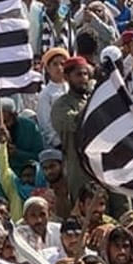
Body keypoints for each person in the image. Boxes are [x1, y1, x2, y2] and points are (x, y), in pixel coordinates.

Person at [51, 57, 92, 201]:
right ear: (67, 77)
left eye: (86, 74)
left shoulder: (92, 98)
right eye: (79, 75)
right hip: (80, 168)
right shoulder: (61, 105)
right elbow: (77, 123)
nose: (83, 79)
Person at [0, 97, 44, 176]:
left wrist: (17, 153)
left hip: (29, 174)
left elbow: (39, 155)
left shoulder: (29, 127)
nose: (3, 126)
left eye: (5, 121)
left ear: (14, 115)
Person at [36, 48, 70, 149]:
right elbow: (45, 124)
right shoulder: (45, 94)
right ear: (48, 68)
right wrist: (58, 143)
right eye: (55, 64)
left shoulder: (71, 88)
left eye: (62, 64)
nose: (59, 68)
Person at [38, 149, 72, 219]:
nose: (49, 171)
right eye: (45, 168)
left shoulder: (74, 188)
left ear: (62, 165)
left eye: (52, 166)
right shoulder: (44, 196)